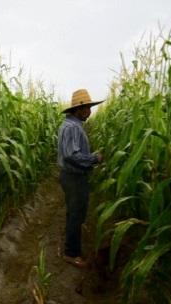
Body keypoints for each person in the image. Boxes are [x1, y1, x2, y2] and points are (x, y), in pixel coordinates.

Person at [57, 89, 104, 268]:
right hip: (74, 178)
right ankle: (71, 253)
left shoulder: (71, 125)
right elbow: (71, 155)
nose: (89, 112)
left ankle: (73, 247)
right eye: (87, 108)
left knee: (74, 213)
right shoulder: (72, 127)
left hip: (71, 176)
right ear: (78, 110)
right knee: (76, 215)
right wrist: (94, 158)